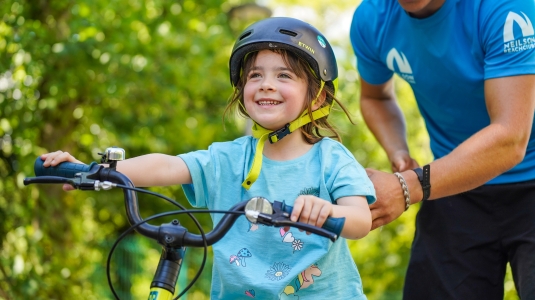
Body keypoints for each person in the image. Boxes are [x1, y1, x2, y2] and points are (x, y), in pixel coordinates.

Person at [42, 17, 376, 299]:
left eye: (283, 75)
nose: (266, 85)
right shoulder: (227, 159)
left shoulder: (330, 158)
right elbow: (167, 165)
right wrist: (95, 171)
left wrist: (329, 210)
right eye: (255, 75)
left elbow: (360, 221)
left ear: (317, 98)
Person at [350, 0, 535, 298]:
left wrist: (405, 187)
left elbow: (510, 139)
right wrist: (398, 151)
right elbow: (376, 98)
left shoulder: (504, 6)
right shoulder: (372, 18)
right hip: (453, 184)